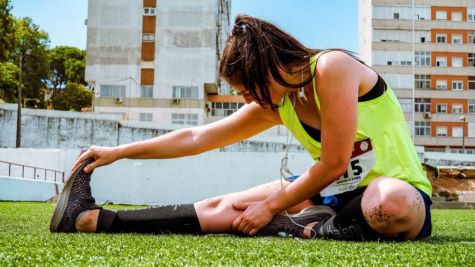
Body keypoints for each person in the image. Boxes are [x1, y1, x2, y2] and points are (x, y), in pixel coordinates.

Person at [50, 14, 432, 241]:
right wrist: (118, 152)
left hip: (396, 194)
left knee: (388, 204)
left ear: (269, 66)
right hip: (331, 197)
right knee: (228, 208)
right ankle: (92, 219)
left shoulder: (332, 68)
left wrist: (270, 207)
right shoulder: (278, 102)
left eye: (249, 88)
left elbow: (333, 163)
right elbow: (198, 137)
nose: (249, 99)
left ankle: (311, 229)